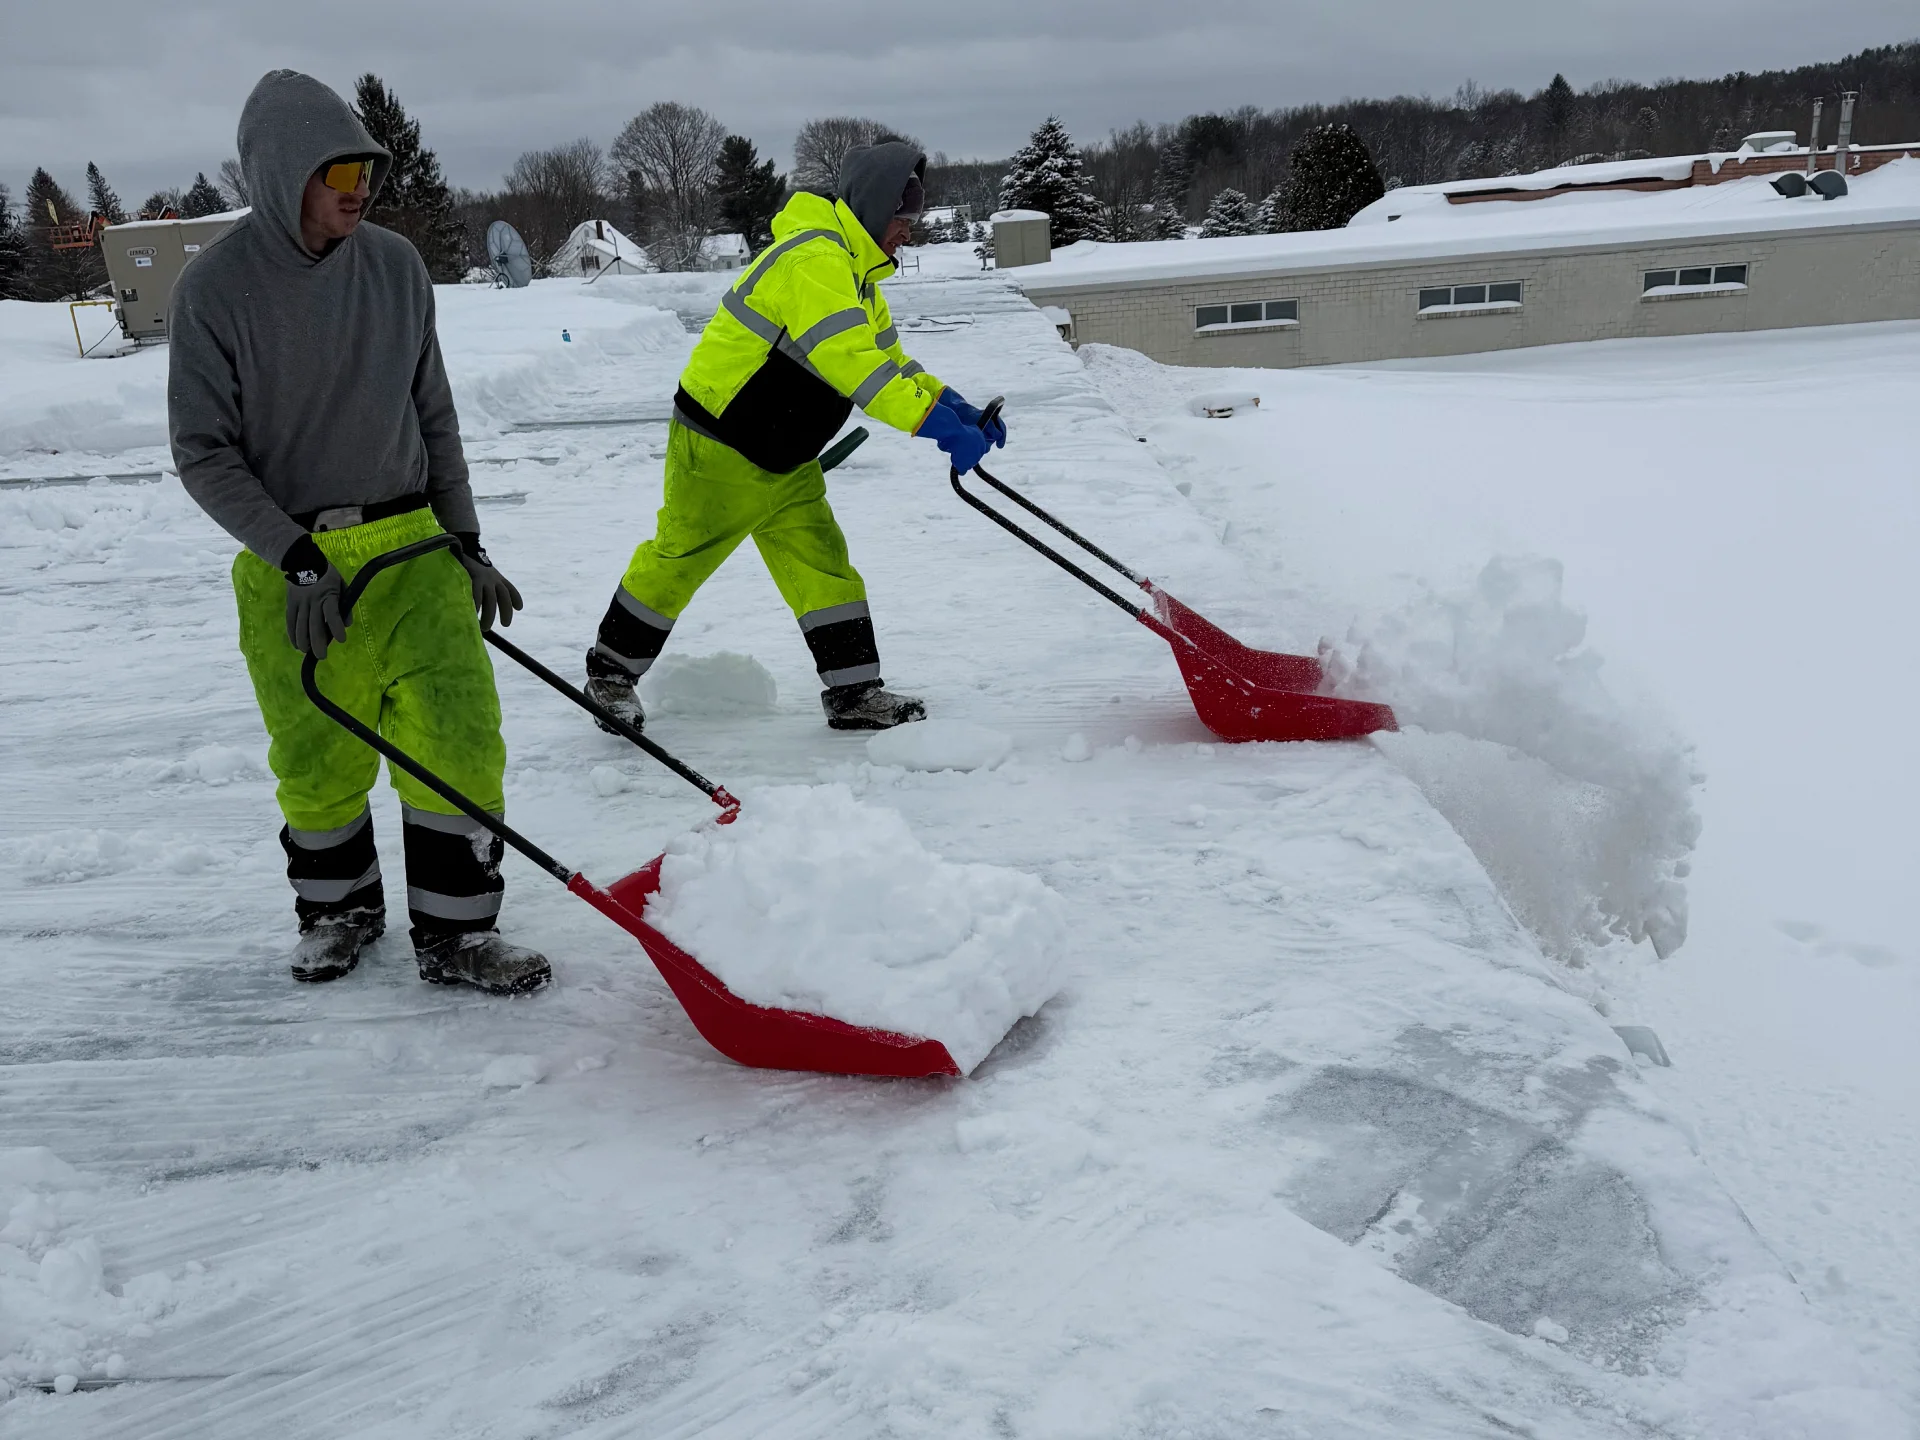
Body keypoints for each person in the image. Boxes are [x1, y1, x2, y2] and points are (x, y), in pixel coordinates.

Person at [168, 69, 550, 994]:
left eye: (366, 166)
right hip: (294, 565)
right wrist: (294, 558)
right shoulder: (215, 289)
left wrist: (467, 543)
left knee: (459, 737)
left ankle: (459, 935)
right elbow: (204, 451)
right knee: (314, 751)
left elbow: (436, 417)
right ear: (280, 170)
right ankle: (339, 911)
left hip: (414, 548)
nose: (358, 184)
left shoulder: (393, 266)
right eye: (336, 167)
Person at [584, 141, 1008, 733]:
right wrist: (933, 425)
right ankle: (609, 676)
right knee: (679, 559)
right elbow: (856, 367)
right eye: (901, 219)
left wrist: (958, 408)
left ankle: (854, 692)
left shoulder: (857, 278)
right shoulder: (815, 261)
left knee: (823, 566)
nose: (907, 233)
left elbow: (892, 363)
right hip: (721, 446)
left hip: (784, 451)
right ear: (874, 207)